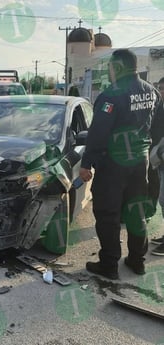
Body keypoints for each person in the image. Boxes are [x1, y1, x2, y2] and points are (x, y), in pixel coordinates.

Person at [80, 49, 160, 279]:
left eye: (111, 68)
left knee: (108, 213)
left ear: (119, 67)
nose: (109, 72)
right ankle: (137, 260)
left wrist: (87, 163)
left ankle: (109, 265)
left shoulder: (111, 95)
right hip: (140, 162)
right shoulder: (151, 91)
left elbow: (98, 133)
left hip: (114, 165)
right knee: (136, 211)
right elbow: (157, 126)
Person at [149, 76, 164, 255]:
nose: (161, 92)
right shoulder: (160, 106)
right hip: (160, 161)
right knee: (162, 201)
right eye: (160, 88)